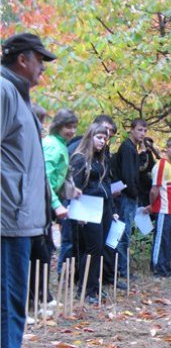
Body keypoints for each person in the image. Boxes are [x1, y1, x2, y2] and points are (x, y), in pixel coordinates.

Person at [1, 32, 59, 348]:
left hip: (20, 219)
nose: (42, 67)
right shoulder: (4, 92)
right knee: (7, 305)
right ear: (23, 59)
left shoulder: (17, 95)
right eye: (40, 59)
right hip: (7, 221)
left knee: (12, 303)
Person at [30, 109, 80, 310]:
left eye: (74, 127)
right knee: (41, 251)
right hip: (40, 205)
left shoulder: (60, 145)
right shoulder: (52, 145)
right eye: (68, 126)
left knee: (46, 249)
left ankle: (43, 296)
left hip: (46, 205)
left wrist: (71, 190)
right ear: (58, 126)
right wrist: (57, 205)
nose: (72, 131)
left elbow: (60, 178)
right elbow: (45, 178)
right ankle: (38, 298)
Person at [70, 123, 119, 304]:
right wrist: (79, 213)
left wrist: (113, 210)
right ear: (90, 137)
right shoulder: (80, 159)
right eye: (99, 137)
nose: (102, 141)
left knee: (100, 249)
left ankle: (94, 287)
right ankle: (85, 290)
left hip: (104, 208)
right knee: (91, 249)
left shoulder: (101, 160)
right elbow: (75, 188)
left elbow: (106, 185)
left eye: (105, 139)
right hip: (88, 207)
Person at [112, 119, 147, 280]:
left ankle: (122, 268)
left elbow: (138, 169)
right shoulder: (126, 148)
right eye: (140, 130)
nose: (142, 133)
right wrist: (133, 192)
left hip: (130, 196)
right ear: (131, 130)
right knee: (122, 234)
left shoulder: (133, 149)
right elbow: (127, 176)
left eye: (144, 131)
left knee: (125, 234)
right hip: (126, 197)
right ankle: (121, 270)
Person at [146, 137, 171, 278]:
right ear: (166, 149)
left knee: (167, 240)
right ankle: (157, 271)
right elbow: (154, 190)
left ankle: (166, 271)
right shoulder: (161, 165)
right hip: (163, 209)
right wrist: (151, 205)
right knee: (160, 240)